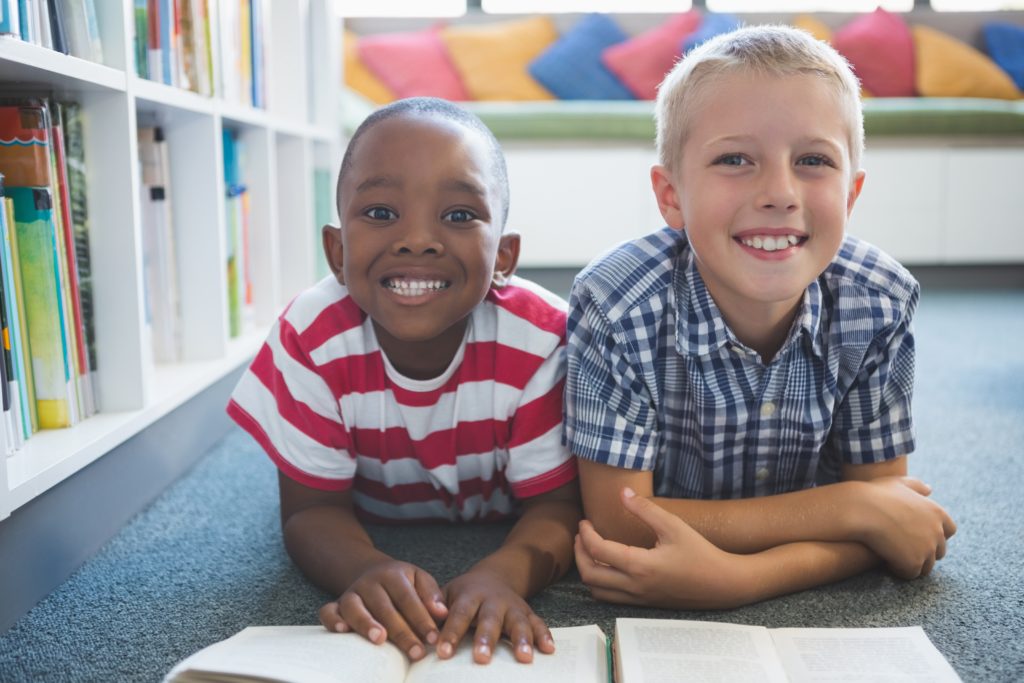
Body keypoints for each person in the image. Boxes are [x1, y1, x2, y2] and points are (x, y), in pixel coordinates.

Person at [564, 25, 956, 609]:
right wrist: (846, 510)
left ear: (851, 195)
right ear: (671, 195)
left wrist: (741, 579)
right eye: (735, 159)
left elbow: (895, 521)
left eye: (813, 160)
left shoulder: (879, 300)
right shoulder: (616, 303)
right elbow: (618, 525)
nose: (779, 192)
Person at [227, 97, 580, 664]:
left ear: (506, 256)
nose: (418, 240)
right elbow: (309, 512)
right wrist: (363, 569)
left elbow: (560, 506)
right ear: (337, 253)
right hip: (367, 511)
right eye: (382, 214)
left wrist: (505, 572)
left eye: (460, 215)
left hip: (501, 513)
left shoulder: (542, 340)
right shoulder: (309, 338)